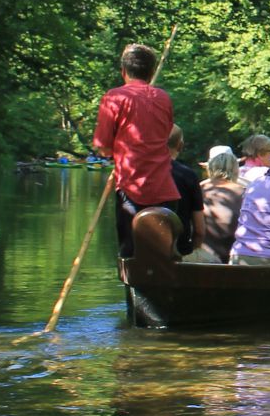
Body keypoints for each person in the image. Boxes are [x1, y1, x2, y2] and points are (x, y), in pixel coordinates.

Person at [92, 44, 180, 259]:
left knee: (130, 257)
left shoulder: (114, 98)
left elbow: (102, 146)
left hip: (131, 190)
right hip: (165, 191)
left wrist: (115, 152)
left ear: (123, 71)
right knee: (162, 259)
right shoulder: (163, 98)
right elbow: (166, 133)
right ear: (151, 72)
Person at [191, 146, 244, 263]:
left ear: (210, 167)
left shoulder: (199, 189)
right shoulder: (245, 192)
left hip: (200, 256)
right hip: (232, 258)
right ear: (235, 168)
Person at [166, 125, 200, 257]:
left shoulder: (140, 172)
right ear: (180, 146)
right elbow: (200, 230)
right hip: (180, 252)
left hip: (140, 251)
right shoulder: (188, 175)